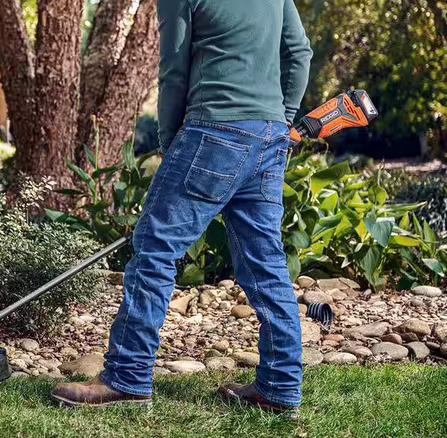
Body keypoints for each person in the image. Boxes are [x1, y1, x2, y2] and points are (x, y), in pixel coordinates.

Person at [51, 0, 313, 416]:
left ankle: (126, 377)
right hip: (268, 137)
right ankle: (280, 387)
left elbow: (174, 70)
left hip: (214, 129)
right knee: (266, 265)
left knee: (155, 250)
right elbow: (299, 52)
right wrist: (282, 119)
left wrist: (171, 141)